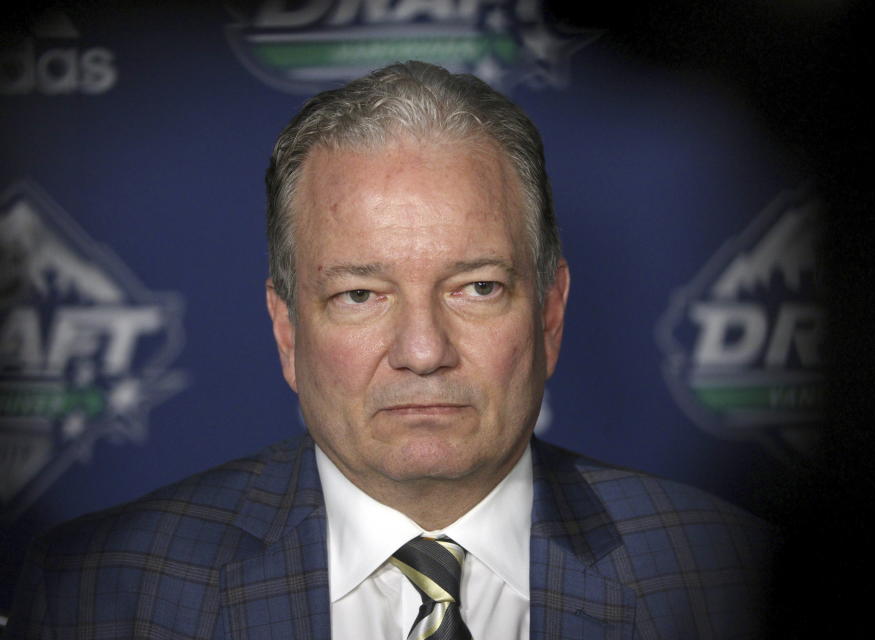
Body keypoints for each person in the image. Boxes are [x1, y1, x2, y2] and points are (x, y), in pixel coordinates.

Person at [8, 61, 774, 639]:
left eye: (476, 287)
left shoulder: (727, 575)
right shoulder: (99, 592)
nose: (422, 350)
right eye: (359, 295)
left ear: (549, 314)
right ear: (286, 330)